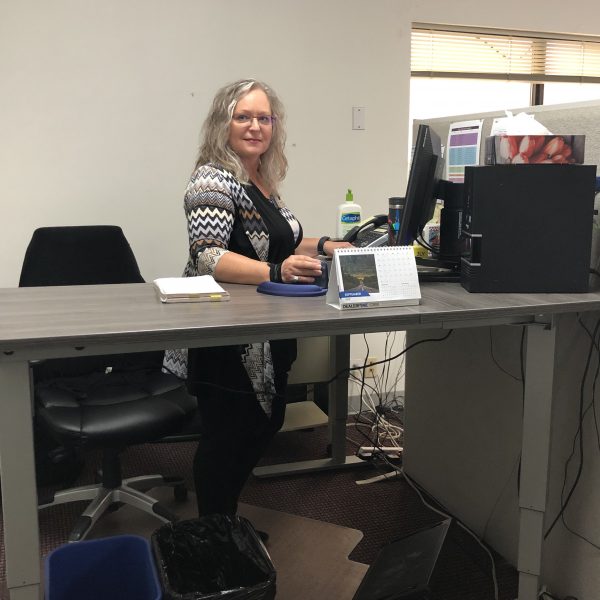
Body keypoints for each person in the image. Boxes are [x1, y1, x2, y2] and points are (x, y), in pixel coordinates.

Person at [164, 79, 351, 517]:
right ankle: (216, 532)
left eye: (263, 118)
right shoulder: (213, 179)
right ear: (222, 124)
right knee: (229, 436)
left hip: (266, 327)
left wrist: (327, 245)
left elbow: (281, 238)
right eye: (243, 116)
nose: (255, 126)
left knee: (264, 424)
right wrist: (275, 270)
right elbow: (209, 256)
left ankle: (225, 522)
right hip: (227, 335)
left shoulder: (260, 180)